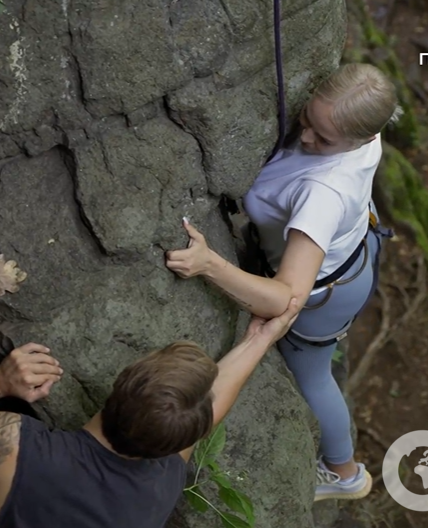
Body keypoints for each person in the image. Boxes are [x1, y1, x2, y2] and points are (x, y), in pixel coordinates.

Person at [165, 62, 401, 502]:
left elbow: (283, 299)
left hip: (325, 291)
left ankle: (344, 473)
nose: (307, 137)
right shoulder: (365, 126)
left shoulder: (322, 195)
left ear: (366, 137)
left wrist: (208, 264)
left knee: (313, 375)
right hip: (353, 252)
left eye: (324, 139)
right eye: (307, 120)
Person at [0, 298, 300, 528]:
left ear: (119, 383)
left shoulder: (15, 446)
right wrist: (260, 339)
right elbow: (207, 406)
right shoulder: (164, 478)